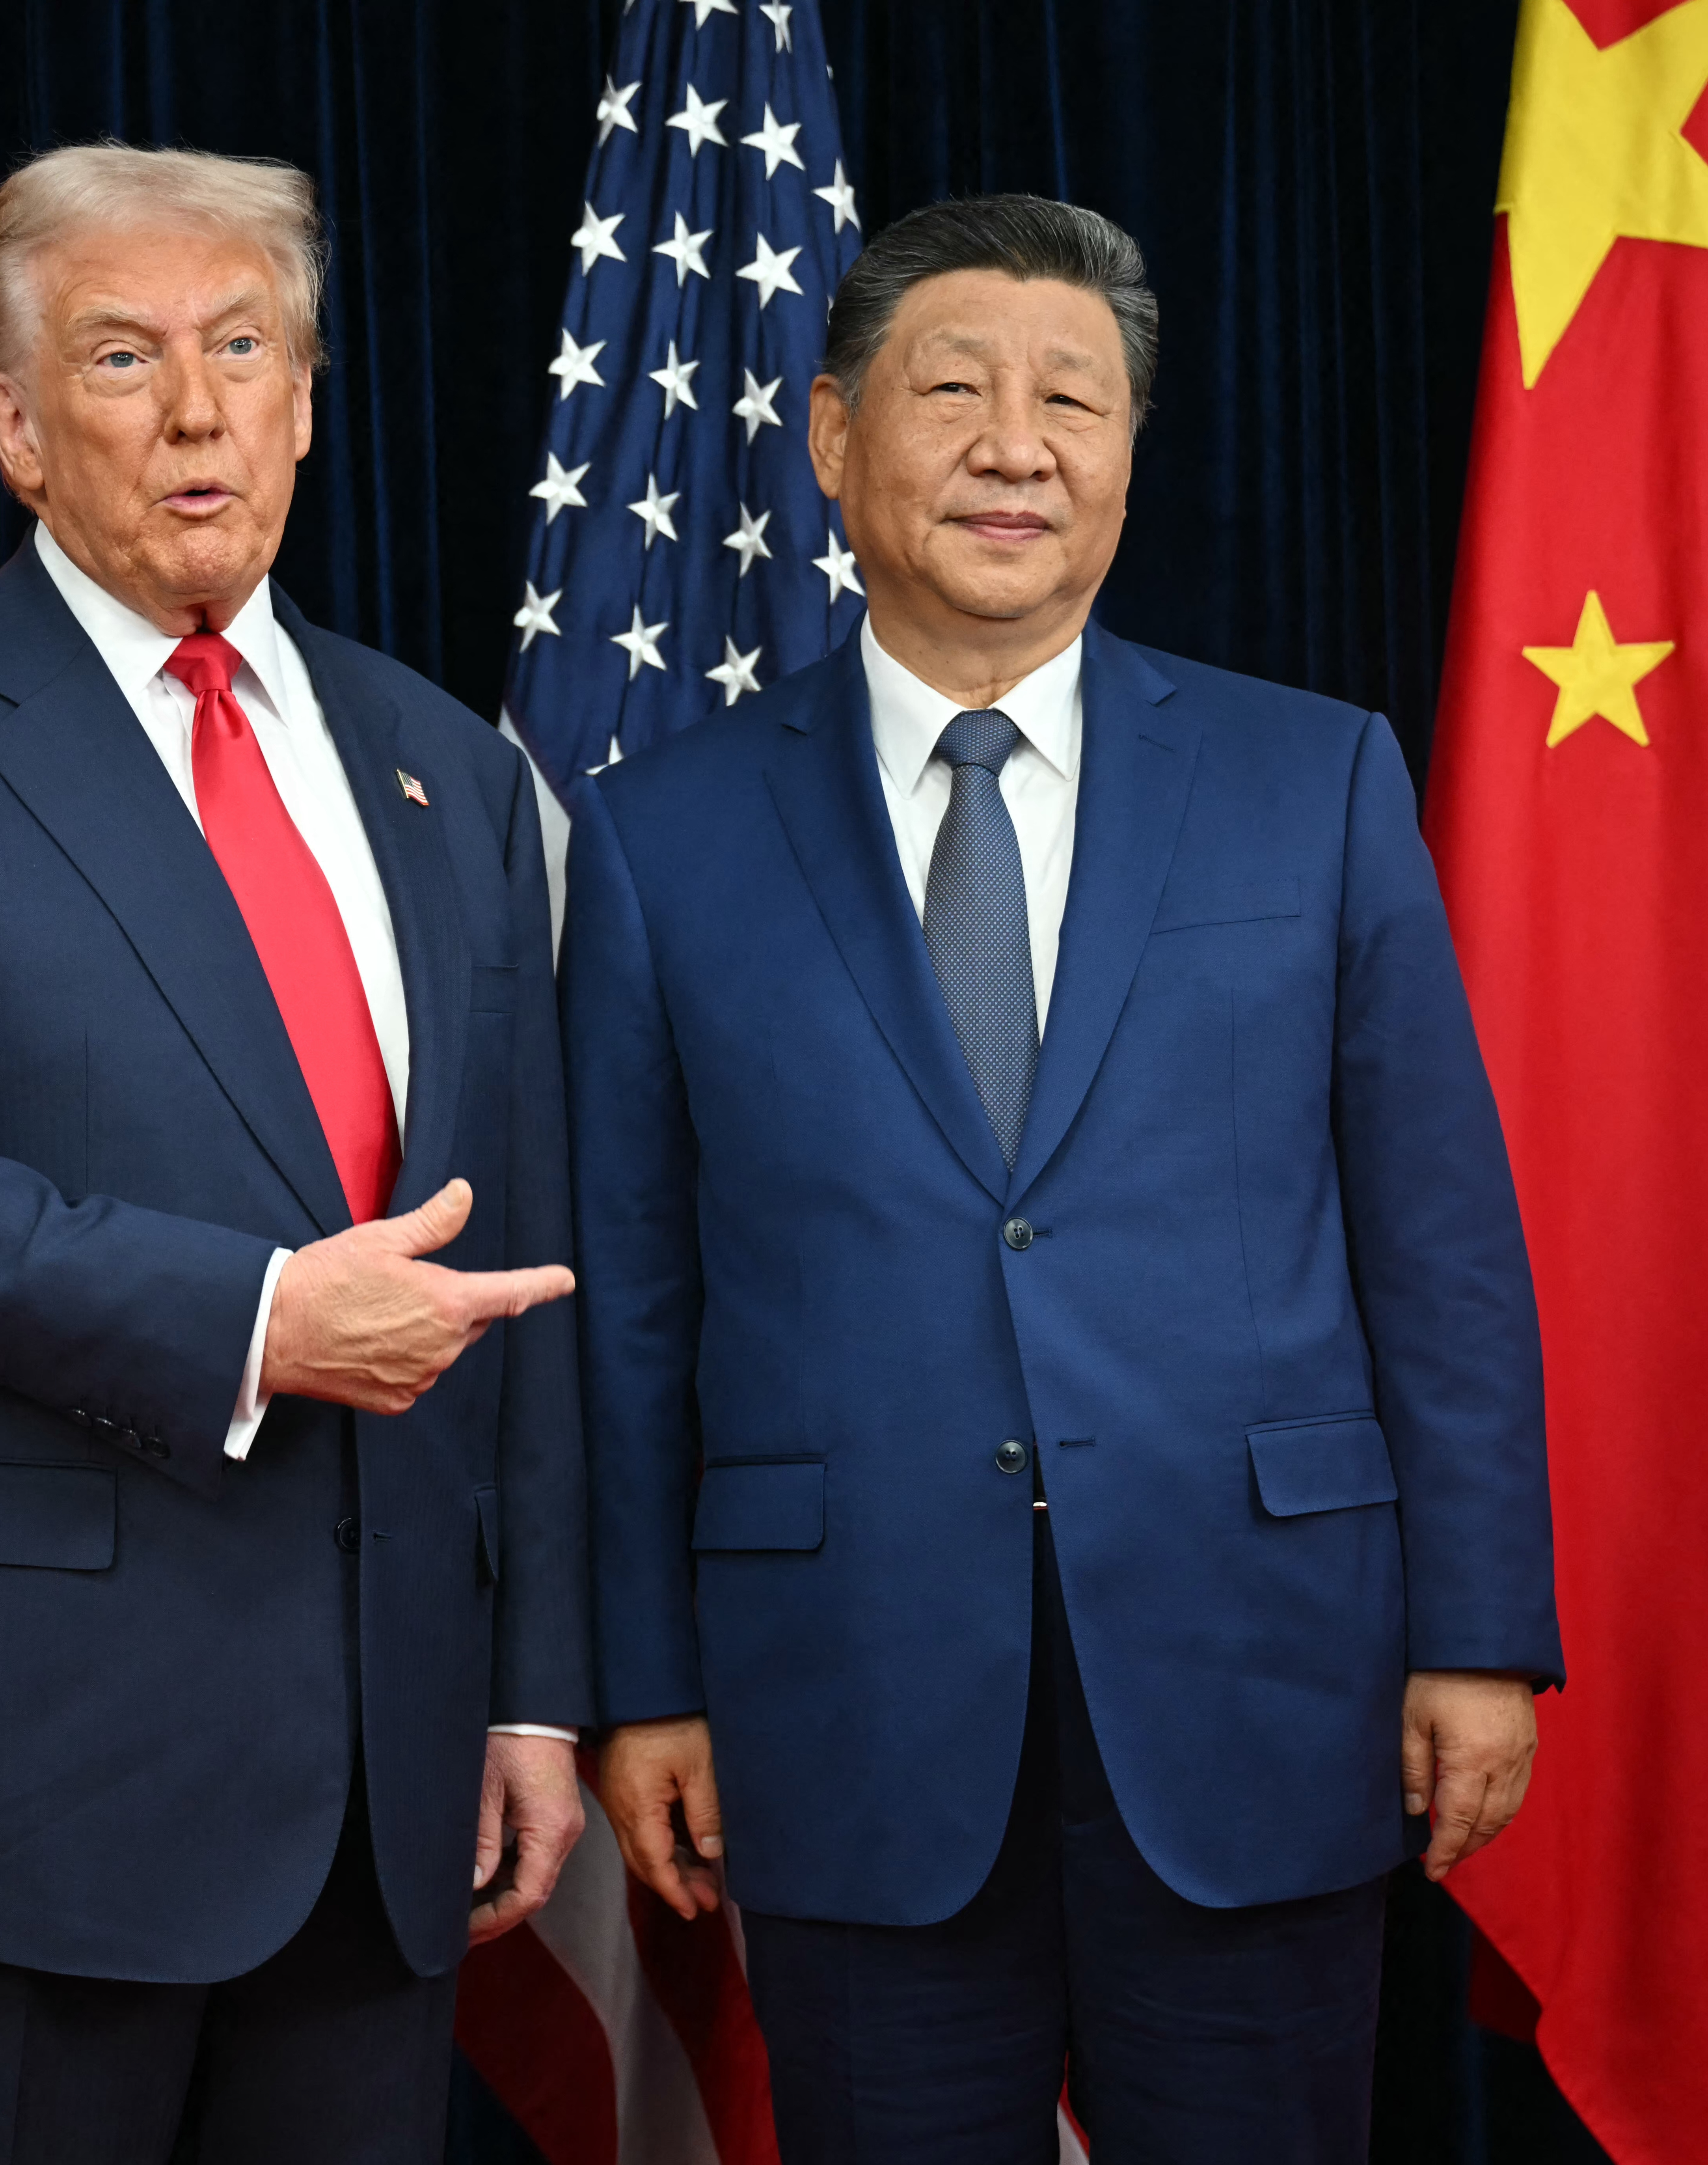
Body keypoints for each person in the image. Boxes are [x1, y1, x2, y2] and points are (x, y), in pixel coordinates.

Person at [562, 194, 1561, 2164]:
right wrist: (638, 1681)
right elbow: (634, 1291)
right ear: (834, 439)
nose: (1014, 445)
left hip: (1257, 1672)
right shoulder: (660, 833)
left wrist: (1476, 1627)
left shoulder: (1315, 779)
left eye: (1071, 400)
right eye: (951, 390)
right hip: (838, 1700)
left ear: (1123, 453)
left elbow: (1435, 1243)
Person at [0, 144, 589, 2165]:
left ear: (300, 396)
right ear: (10, 422)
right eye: (120, 355)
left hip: (377, 1791)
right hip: (0, 1775)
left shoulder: (443, 762)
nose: (195, 409)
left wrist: (527, 1689)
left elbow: (510, 1249)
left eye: (243, 348)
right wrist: (260, 1319)